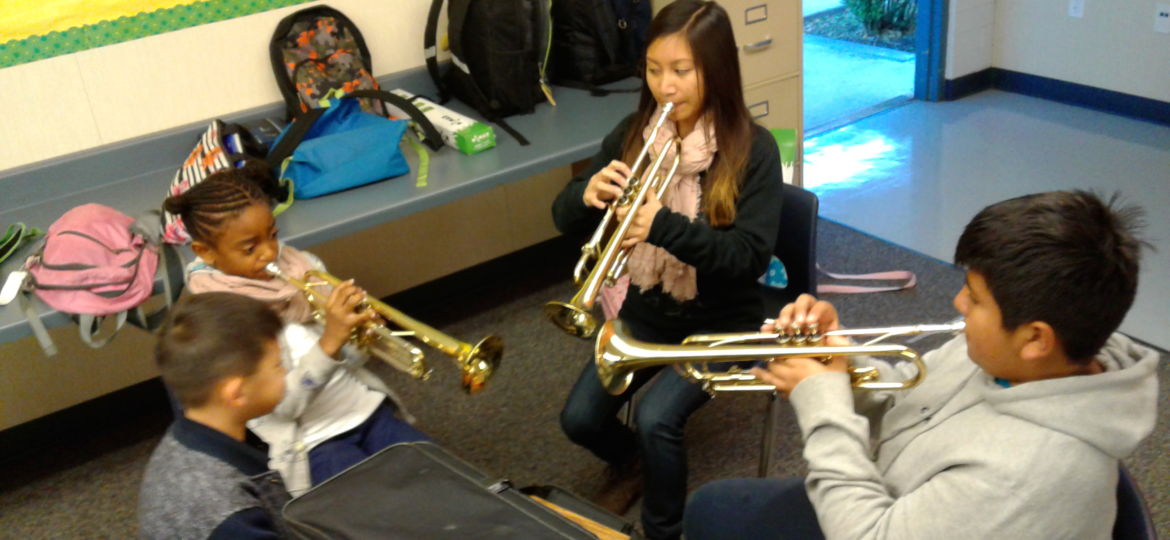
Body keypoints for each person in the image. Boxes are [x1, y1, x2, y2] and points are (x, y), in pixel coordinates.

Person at [683, 190, 1159, 540]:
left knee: (715, 517)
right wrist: (844, 362)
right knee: (710, 506)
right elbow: (912, 400)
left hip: (881, 521)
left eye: (974, 299)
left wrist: (821, 398)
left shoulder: (1027, 478)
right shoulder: (1017, 356)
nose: (957, 303)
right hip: (898, 490)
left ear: (1036, 338)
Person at [551, 1, 783, 538]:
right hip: (650, 308)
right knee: (579, 421)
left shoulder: (753, 150)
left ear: (716, 70)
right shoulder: (636, 135)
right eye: (654, 69)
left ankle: (663, 530)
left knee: (658, 418)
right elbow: (562, 219)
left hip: (725, 320)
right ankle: (630, 462)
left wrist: (660, 226)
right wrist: (582, 194)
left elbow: (747, 259)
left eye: (681, 71)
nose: (665, 86)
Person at [163, 168, 428, 495]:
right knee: (373, 509)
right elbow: (282, 405)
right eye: (250, 248)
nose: (270, 252)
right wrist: (329, 342)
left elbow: (353, 363)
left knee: (436, 474)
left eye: (272, 234)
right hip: (312, 442)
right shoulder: (223, 317)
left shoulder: (301, 266)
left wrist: (361, 333)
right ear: (206, 252)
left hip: (363, 407)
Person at [138, 292, 291, 539]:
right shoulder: (227, 513)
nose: (284, 372)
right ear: (237, 393)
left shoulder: (187, 435)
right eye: (277, 365)